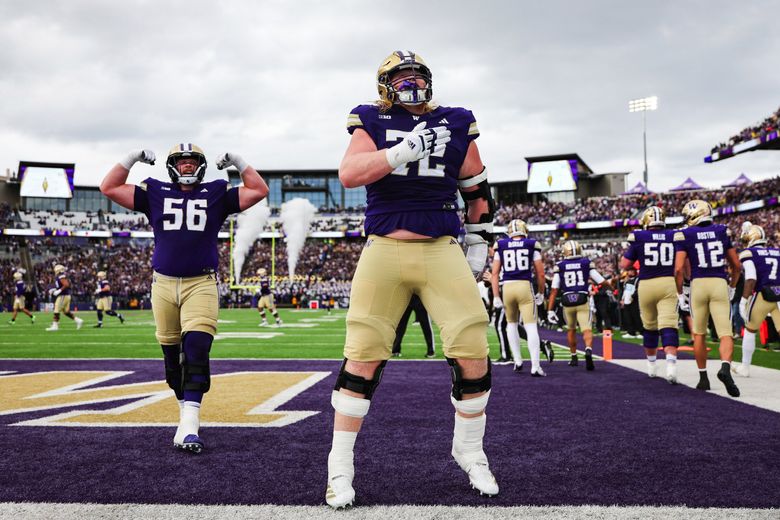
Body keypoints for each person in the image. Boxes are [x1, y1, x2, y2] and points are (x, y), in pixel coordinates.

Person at [326, 50, 498, 509]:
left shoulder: (457, 120)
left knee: (472, 346)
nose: (409, 83)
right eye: (400, 77)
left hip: (441, 245)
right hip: (384, 246)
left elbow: (477, 188)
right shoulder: (370, 119)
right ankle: (339, 467)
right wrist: (403, 150)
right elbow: (349, 174)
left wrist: (479, 240)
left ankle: (470, 449)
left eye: (416, 76)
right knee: (363, 353)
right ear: (384, 85)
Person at [100, 142, 268, 453]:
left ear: (201, 166)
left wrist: (239, 161)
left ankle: (191, 424)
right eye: (182, 161)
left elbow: (258, 190)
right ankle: (183, 414)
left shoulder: (217, 191)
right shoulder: (155, 191)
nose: (188, 165)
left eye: (193, 161)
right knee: (171, 357)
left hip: (200, 282)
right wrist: (132, 158)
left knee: (197, 347)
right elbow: (109, 187)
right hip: (162, 284)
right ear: (172, 165)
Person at [673, 200, 741, 396]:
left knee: (700, 333)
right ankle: (725, 368)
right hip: (719, 282)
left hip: (698, 285)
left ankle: (703, 378)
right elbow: (736, 265)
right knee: (725, 333)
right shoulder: (721, 231)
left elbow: (678, 268)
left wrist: (680, 292)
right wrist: (732, 286)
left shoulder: (684, 234)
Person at [620, 206, 680, 383]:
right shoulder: (674, 235)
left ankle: (652, 366)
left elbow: (625, 264)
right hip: (668, 282)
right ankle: (671, 366)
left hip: (646, 283)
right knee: (669, 324)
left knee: (650, 326)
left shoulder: (639, 236)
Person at [490, 219, 547, 376]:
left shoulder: (500, 244)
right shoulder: (531, 244)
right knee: (530, 326)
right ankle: (535, 366)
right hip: (524, 286)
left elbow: (494, 273)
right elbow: (540, 273)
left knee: (511, 325)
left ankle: (518, 361)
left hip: (507, 288)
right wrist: (541, 292)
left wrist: (496, 295)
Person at [547, 240, 609, 370]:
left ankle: (574, 357)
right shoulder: (586, 263)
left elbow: (554, 290)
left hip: (567, 301)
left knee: (571, 330)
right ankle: (588, 349)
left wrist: (550, 309)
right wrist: (607, 285)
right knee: (586, 328)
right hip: (582, 299)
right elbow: (601, 281)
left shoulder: (561, 265)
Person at [737, 224, 780, 377]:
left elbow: (751, 278)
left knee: (750, 330)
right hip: (779, 294)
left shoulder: (749, 253)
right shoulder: (777, 251)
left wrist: (743, 300)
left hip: (762, 295)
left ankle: (745, 367)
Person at [46, 264, 84, 331]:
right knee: (66, 312)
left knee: (56, 309)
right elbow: (61, 285)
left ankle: (55, 326)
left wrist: (59, 291)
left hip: (63, 295)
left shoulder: (61, 276)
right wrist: (54, 290)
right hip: (66, 295)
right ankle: (78, 320)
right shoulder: (61, 276)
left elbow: (66, 285)